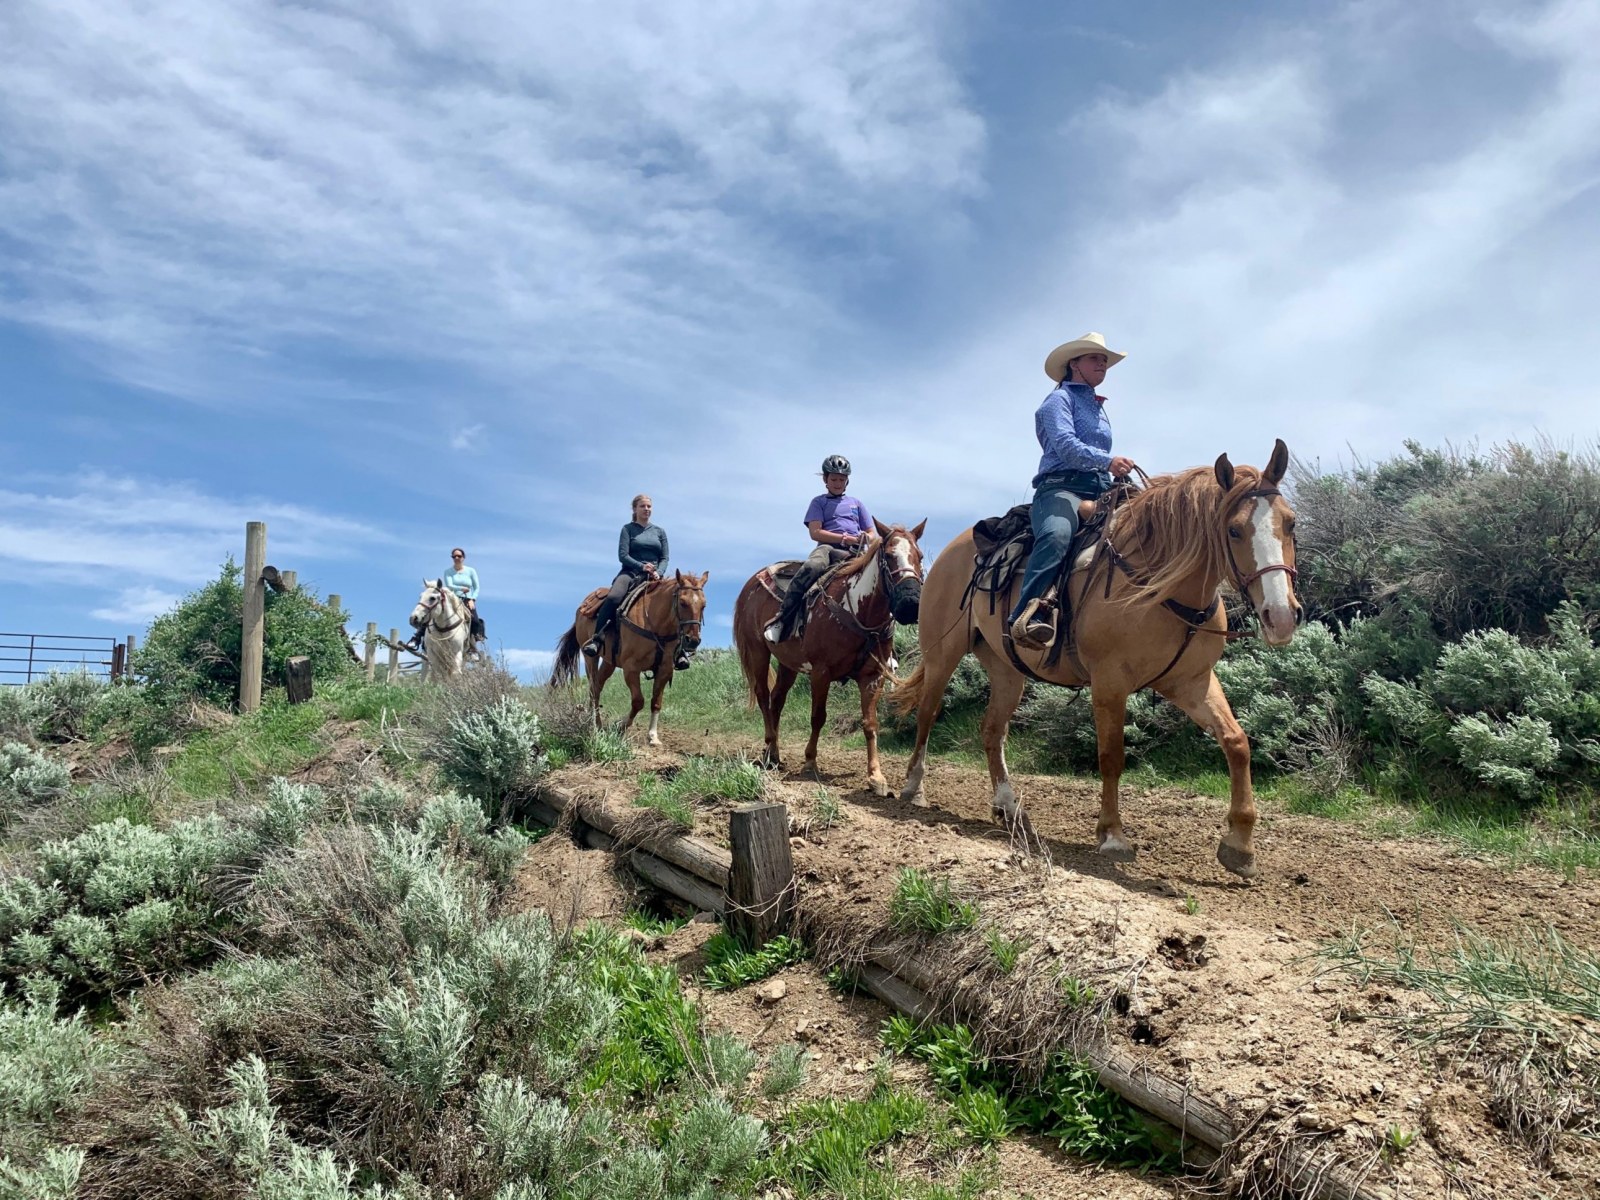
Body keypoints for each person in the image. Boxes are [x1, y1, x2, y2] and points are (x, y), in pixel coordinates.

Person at [1008, 332, 1138, 651]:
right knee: (1057, 535)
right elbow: (1066, 446)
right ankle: (1028, 614)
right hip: (1061, 487)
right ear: (1074, 364)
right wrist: (1109, 461)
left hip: (1102, 487)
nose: (1103, 364)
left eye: (1105, 360)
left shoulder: (1097, 407)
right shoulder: (1058, 400)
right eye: (1095, 358)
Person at [765, 454, 874, 644]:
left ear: (847, 480)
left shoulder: (856, 504)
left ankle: (883, 635)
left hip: (855, 553)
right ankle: (782, 619)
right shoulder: (819, 502)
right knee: (812, 567)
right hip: (828, 549)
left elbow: (872, 533)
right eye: (833, 479)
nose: (838, 483)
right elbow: (815, 533)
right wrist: (843, 538)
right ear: (825, 480)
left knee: (879, 578)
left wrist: (866, 537)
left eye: (841, 479)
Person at [584, 494, 670, 658]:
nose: (646, 509)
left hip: (655, 576)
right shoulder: (628, 529)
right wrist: (642, 566)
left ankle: (679, 650)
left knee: (675, 600)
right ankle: (597, 639)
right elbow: (623, 555)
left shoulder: (660, 532)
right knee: (614, 597)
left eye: (649, 506)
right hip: (630, 572)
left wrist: (659, 572)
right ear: (635, 509)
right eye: (642, 506)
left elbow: (664, 557)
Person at [404, 547, 482, 652]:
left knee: (475, 621)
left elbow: (476, 587)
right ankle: (416, 638)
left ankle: (472, 647)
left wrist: (472, 599)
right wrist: (461, 589)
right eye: (454, 556)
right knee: (431, 612)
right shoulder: (448, 571)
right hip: (452, 597)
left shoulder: (471, 571)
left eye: (459, 556)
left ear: (463, 557)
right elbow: (450, 585)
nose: (457, 558)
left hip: (467, 599)